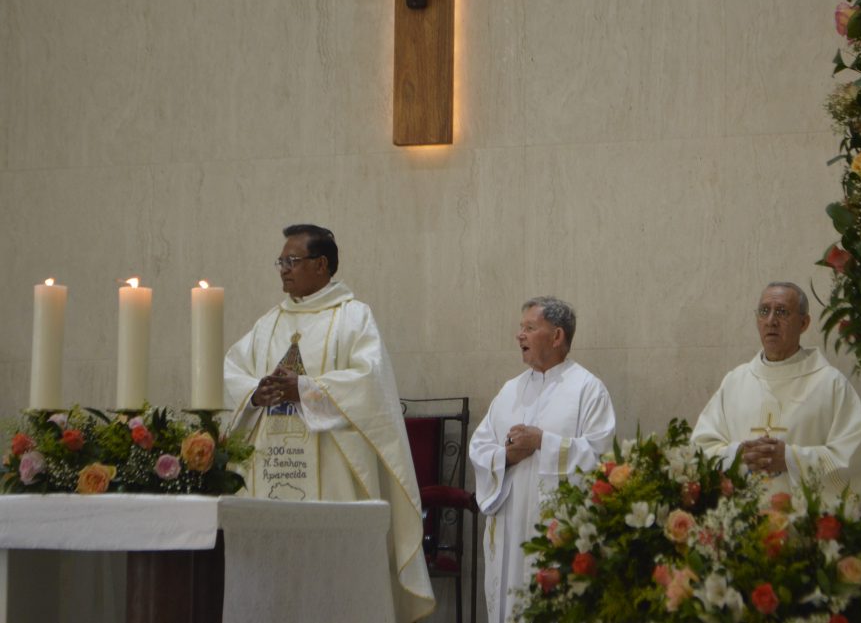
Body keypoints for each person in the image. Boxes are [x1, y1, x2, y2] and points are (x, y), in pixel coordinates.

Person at [224, 224, 434, 622]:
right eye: (281, 262)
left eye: (293, 260)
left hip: (335, 475)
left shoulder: (354, 318)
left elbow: (369, 384)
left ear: (321, 265)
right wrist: (255, 394)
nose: (284, 269)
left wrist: (303, 389)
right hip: (270, 465)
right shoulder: (268, 323)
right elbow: (232, 374)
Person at [469, 297, 616, 623]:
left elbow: (601, 459)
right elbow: (479, 447)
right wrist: (505, 456)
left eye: (529, 328)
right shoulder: (510, 390)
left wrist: (543, 443)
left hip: (555, 534)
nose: (519, 335)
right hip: (510, 529)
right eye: (521, 328)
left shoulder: (588, 390)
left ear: (557, 336)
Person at [692, 282, 861, 503]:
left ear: (804, 323)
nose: (771, 321)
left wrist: (791, 459)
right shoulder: (735, 382)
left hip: (806, 528)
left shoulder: (831, 384)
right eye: (764, 311)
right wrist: (739, 455)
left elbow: (852, 461)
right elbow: (699, 451)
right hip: (740, 525)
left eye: (782, 312)